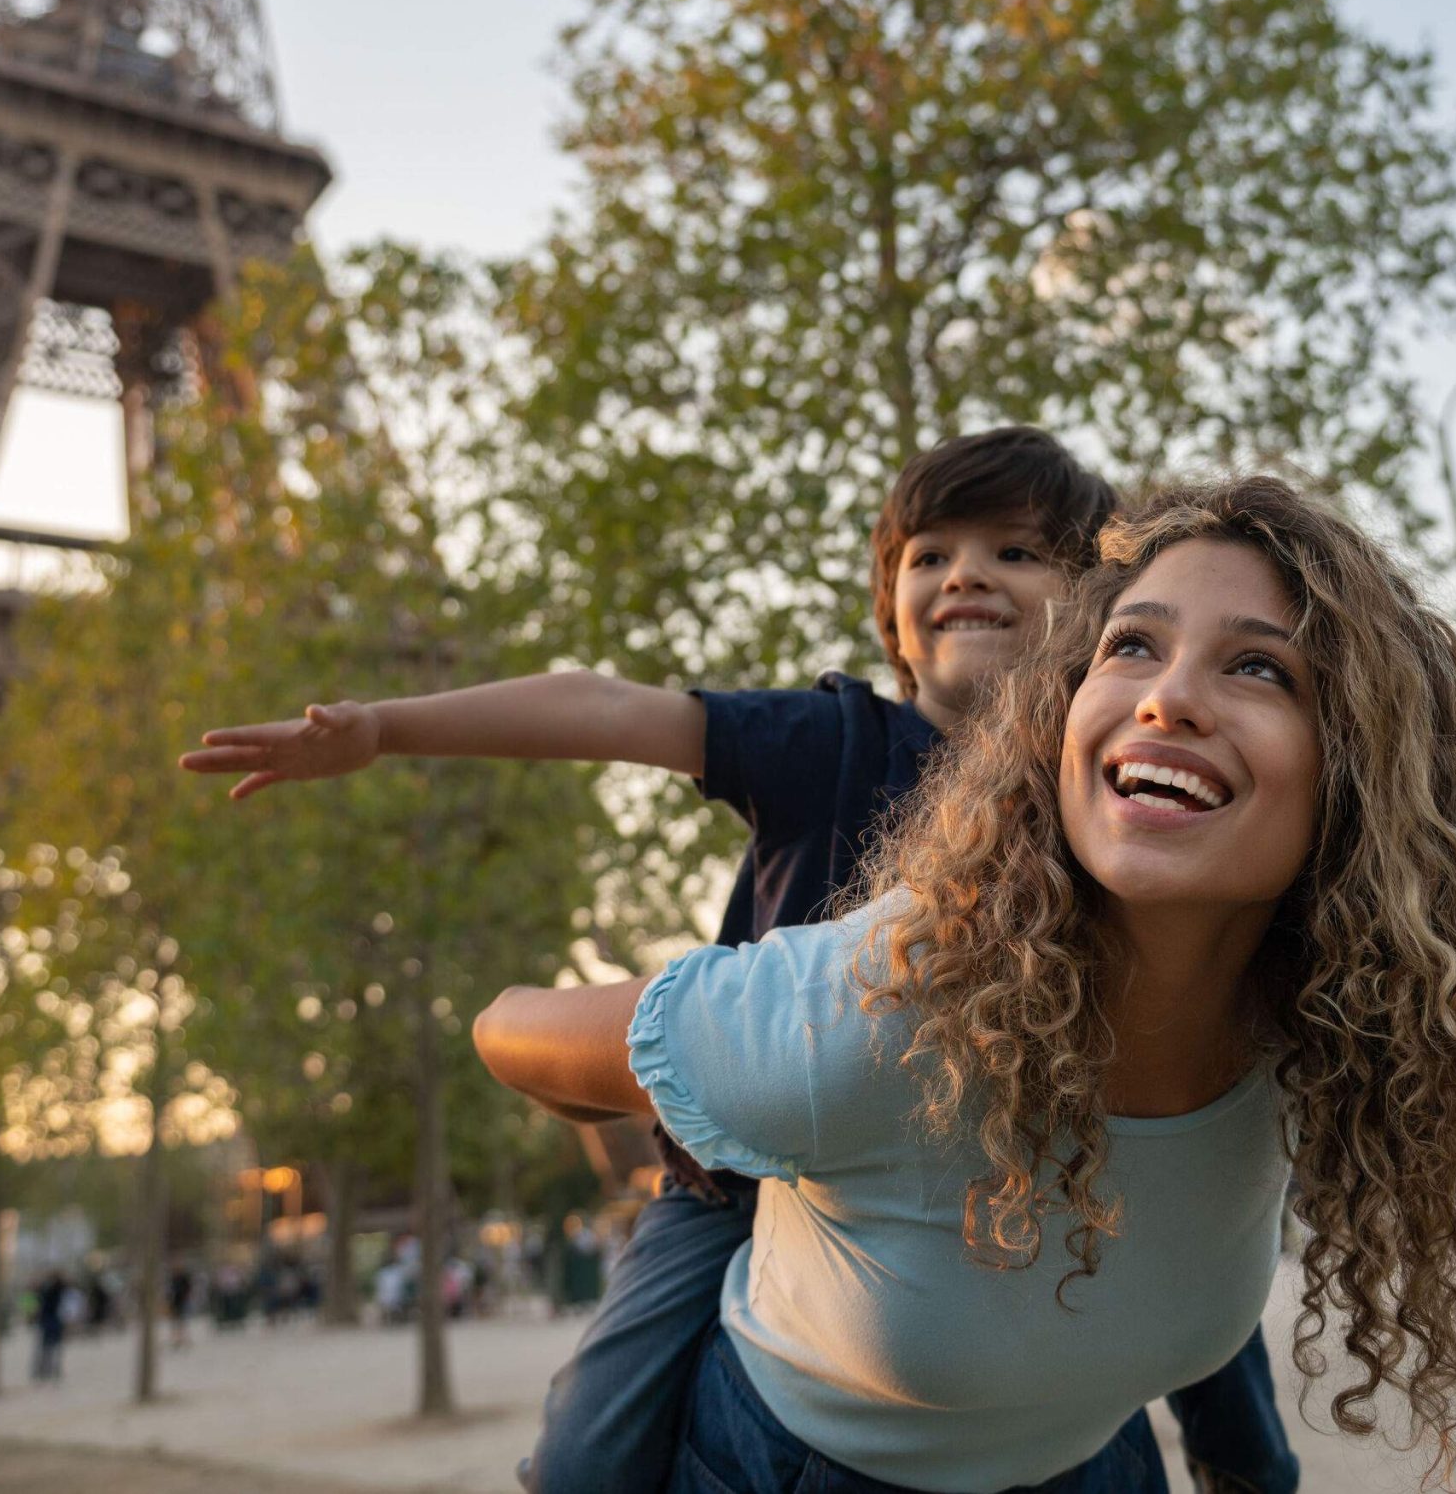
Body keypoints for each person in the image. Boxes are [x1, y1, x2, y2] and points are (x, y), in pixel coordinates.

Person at [187, 430, 1300, 1494]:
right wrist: (386, 729)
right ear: (889, 618)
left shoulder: (1109, 783)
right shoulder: (829, 740)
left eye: (1015, 551)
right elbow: (610, 706)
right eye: (930, 555)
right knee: (584, 1459)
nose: (967, 575)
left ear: (1092, 621)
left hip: (1029, 1132)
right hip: (744, 1168)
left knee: (1200, 1302)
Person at [475, 477, 1456, 1493]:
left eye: (1259, 667)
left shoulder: (1339, 1026)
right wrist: (701, 1120)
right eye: (1131, 644)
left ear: (1362, 780)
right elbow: (505, 1032)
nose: (1165, 697)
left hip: (1093, 1462)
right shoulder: (875, 1010)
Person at [30, 1269, 67, 1383]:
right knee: (49, 1347)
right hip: (51, 1321)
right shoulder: (52, 1290)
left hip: (50, 1321)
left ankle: (47, 1370)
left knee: (48, 1347)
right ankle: (47, 1370)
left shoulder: (53, 1290)